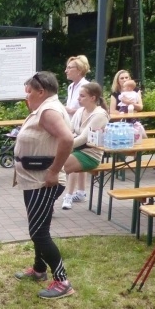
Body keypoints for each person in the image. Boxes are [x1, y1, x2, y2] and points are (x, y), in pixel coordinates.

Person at [13, 71, 75, 299]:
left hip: (43, 181)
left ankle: (62, 281)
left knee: (38, 233)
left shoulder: (49, 110)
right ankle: (39, 270)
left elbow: (67, 139)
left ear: (41, 91)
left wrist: (54, 171)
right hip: (34, 180)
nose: (26, 96)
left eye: (29, 91)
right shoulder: (45, 108)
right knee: (40, 227)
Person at [61, 83, 110, 209]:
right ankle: (48, 202)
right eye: (79, 96)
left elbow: (83, 138)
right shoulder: (79, 111)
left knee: (57, 168)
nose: (78, 99)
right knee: (53, 166)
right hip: (76, 151)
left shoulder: (100, 115)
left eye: (82, 96)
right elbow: (68, 130)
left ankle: (48, 202)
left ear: (92, 98)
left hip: (90, 155)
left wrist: (62, 146)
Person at [62, 55, 91, 205]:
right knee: (77, 158)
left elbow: (86, 108)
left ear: (79, 71)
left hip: (82, 128)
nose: (66, 70)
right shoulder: (70, 86)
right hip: (71, 125)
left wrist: (67, 110)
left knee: (72, 159)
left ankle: (69, 196)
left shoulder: (86, 86)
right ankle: (80, 192)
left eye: (69, 68)